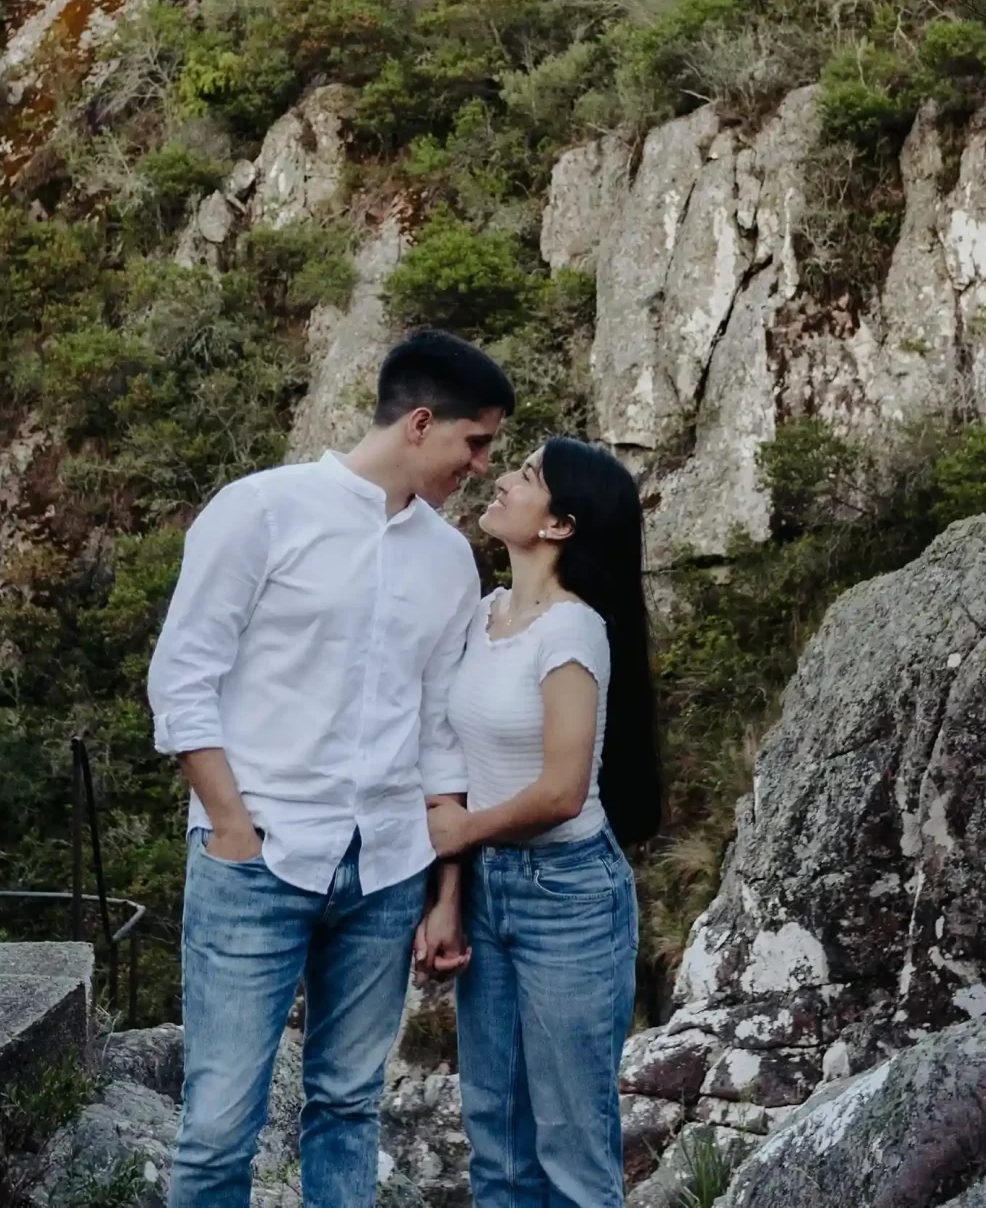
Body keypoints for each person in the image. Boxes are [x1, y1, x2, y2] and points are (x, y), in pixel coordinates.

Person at [147, 329, 515, 1208]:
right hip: (258, 860)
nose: (483, 465)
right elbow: (181, 678)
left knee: (350, 1106)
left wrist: (443, 885)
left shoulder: (450, 561)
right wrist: (232, 828)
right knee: (218, 1126)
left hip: (385, 870)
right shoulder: (260, 510)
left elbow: (436, 730)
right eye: (477, 442)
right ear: (421, 423)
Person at [421, 437, 663, 1208]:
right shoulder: (485, 614)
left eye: (525, 477)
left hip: (568, 896)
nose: (502, 480)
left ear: (560, 525)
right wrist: (450, 896)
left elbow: (562, 792)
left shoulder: (573, 632)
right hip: (490, 887)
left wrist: (463, 833)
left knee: (570, 1144)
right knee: (496, 1138)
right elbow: (450, 765)